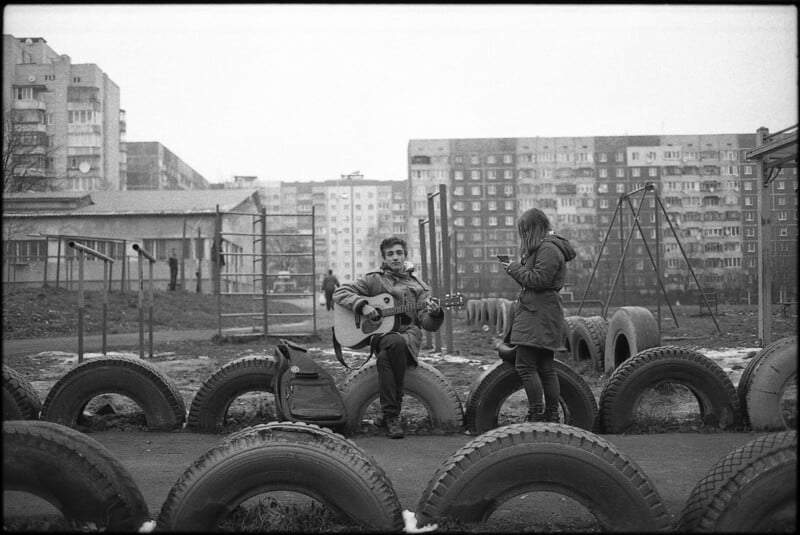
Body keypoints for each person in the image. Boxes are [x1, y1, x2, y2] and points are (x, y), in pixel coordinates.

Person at [333, 236, 444, 438]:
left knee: (387, 356)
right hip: (380, 335)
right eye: (390, 254)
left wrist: (435, 314)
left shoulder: (418, 286)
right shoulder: (374, 280)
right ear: (384, 258)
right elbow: (341, 292)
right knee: (392, 342)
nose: (395, 257)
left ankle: (389, 416)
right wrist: (363, 306)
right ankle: (392, 416)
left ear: (405, 256)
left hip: (408, 336)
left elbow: (426, 323)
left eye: (399, 253)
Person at [499, 208, 576, 423]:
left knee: (526, 366)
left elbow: (539, 280)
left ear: (534, 228)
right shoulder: (545, 248)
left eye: (524, 231)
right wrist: (515, 269)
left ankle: (537, 413)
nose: (523, 236)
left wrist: (515, 268)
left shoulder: (548, 249)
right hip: (541, 311)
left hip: (538, 313)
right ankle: (550, 414)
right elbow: (533, 281)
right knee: (544, 367)